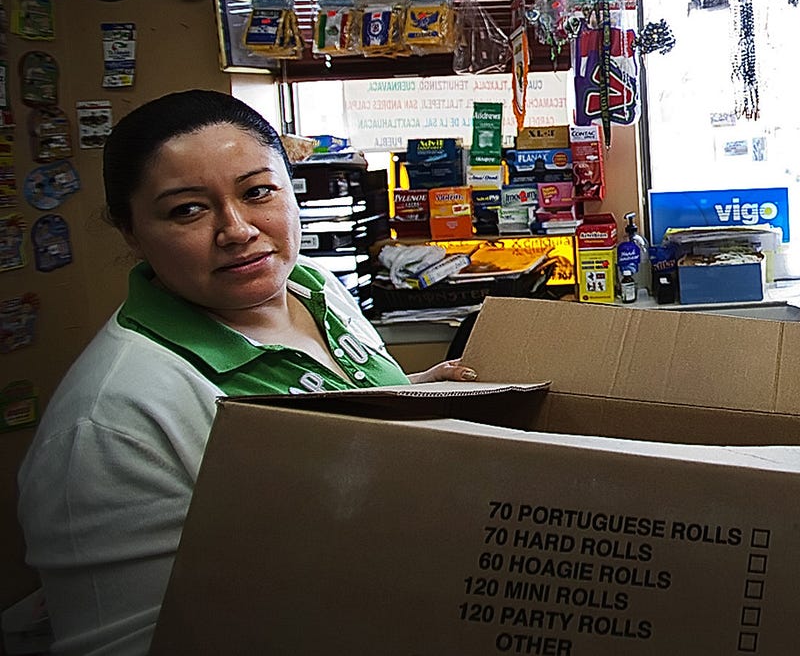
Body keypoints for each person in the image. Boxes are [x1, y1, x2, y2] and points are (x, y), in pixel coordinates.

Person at [17, 91, 476, 656]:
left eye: (258, 192)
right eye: (187, 209)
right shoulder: (110, 423)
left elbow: (343, 414)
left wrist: (410, 390)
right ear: (131, 232)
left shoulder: (313, 287)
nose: (236, 230)